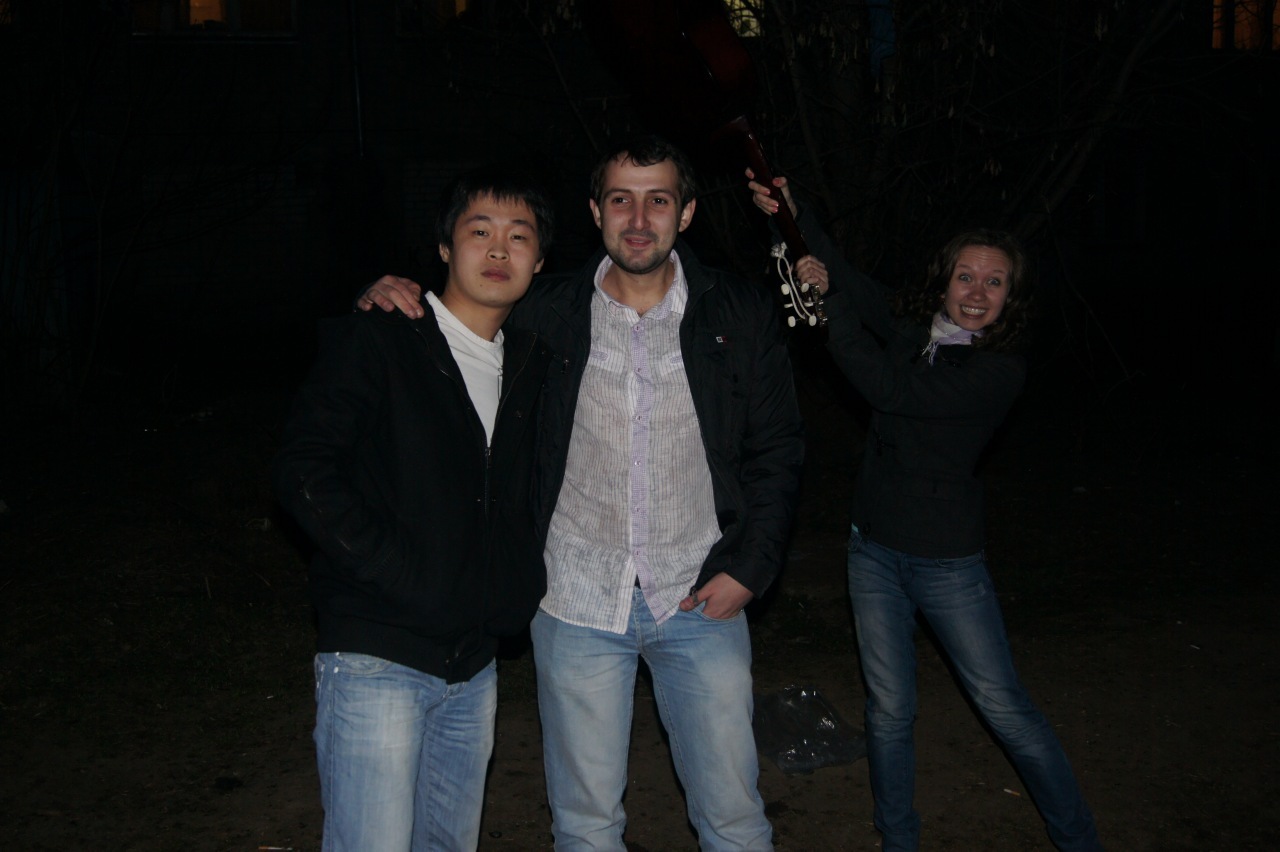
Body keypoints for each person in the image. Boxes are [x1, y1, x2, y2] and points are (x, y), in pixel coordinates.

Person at [361, 135, 805, 851]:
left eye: (658, 200)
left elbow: (777, 450)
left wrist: (751, 568)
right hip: (573, 600)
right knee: (585, 823)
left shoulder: (739, 312)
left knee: (734, 816)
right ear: (596, 212)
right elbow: (457, 323)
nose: (639, 219)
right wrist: (390, 292)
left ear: (686, 213)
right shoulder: (544, 310)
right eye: (621, 200)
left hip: (700, 595)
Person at [747, 170, 1103, 852]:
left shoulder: (999, 371)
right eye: (966, 276)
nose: (976, 293)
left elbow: (890, 389)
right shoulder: (920, 329)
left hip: (946, 564)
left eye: (994, 282)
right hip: (872, 550)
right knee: (888, 711)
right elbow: (848, 277)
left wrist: (828, 309)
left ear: (1011, 297)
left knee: (1004, 708)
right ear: (945, 281)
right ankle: (898, 839)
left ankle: (1079, 838)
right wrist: (793, 213)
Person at [272, 166, 555, 851]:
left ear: (540, 262)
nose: (498, 249)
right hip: (379, 653)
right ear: (444, 247)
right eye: (479, 231)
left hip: (475, 667)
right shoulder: (383, 337)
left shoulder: (531, 365)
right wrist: (398, 573)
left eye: (519, 236)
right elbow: (303, 470)